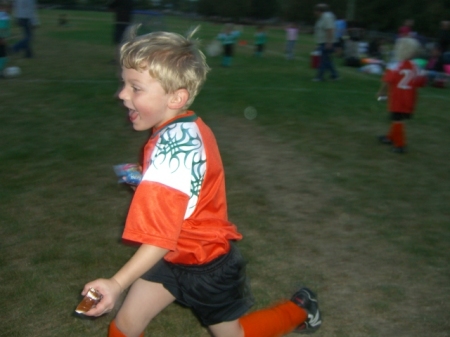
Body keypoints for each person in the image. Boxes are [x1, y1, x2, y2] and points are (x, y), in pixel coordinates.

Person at [80, 26, 322, 337]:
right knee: (127, 325)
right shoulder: (179, 127)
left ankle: (301, 308)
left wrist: (116, 283)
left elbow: (159, 235)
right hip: (171, 256)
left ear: (176, 96)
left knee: (232, 335)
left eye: (135, 87)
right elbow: (183, 192)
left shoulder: (176, 146)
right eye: (124, 84)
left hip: (205, 262)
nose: (122, 94)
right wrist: (146, 183)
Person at [376, 37, 427, 153]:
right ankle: (390, 137)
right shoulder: (416, 66)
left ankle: (400, 144)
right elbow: (421, 82)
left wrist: (381, 92)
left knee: (397, 119)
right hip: (409, 98)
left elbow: (387, 80)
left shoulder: (396, 65)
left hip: (397, 97)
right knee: (397, 118)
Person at [313, 3, 339, 81]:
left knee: (323, 60)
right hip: (323, 42)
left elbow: (329, 30)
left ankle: (319, 76)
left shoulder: (327, 17)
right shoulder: (322, 17)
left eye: (315, 11)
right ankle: (335, 75)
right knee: (327, 60)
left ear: (319, 11)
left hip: (326, 42)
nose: (314, 13)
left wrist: (329, 43)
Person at [0, 0, 11, 75]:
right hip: (1, 37)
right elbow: (2, 28)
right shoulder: (4, 15)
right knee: (3, 54)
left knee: (4, 54)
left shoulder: (5, 15)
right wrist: (2, 38)